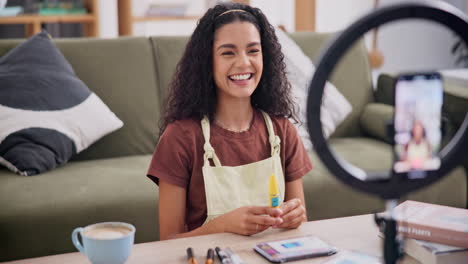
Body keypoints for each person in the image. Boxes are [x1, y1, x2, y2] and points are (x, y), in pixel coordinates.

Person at [147, 2, 313, 240]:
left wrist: (295, 217)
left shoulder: (283, 131)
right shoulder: (180, 138)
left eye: (253, 51)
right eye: (228, 52)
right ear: (207, 62)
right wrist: (223, 226)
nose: (244, 63)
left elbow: (300, 222)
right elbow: (167, 240)